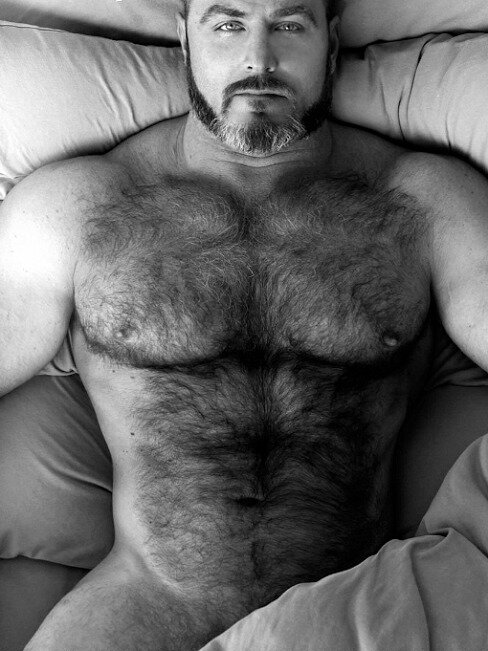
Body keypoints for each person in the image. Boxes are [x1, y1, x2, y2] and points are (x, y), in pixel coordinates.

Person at [3, 0, 488, 648]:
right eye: (228, 24)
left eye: (288, 25)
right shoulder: (78, 206)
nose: (259, 59)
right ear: (185, 40)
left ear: (331, 43)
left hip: (352, 610)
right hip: (143, 608)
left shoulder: (422, 202)